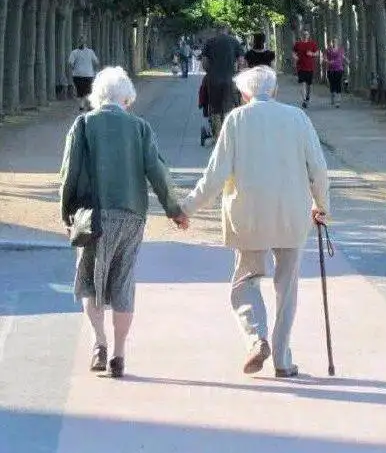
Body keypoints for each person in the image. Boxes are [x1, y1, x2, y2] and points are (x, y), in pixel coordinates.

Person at [182, 65, 328, 378]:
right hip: (291, 214)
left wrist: (186, 208)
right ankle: (282, 359)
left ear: (244, 94)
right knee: (287, 288)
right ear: (274, 90)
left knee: (245, 281)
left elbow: (215, 176)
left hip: (249, 216)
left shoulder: (237, 120)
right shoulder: (298, 118)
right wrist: (322, 206)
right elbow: (317, 168)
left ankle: (256, 338)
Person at [60, 66, 188, 378]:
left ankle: (99, 343)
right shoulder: (140, 127)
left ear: (97, 94)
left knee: (89, 281)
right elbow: (157, 171)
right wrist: (174, 209)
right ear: (127, 97)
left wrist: (66, 213)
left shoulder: (83, 124)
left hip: (93, 215)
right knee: (123, 283)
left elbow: (69, 172)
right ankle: (119, 353)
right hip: (132, 215)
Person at [201, 25, 243, 139]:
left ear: (216, 31)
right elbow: (240, 60)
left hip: (213, 80)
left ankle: (217, 135)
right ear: (227, 30)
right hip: (230, 79)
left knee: (214, 107)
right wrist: (238, 71)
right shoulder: (234, 42)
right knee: (229, 106)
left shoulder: (209, 42)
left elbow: (204, 62)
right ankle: (228, 133)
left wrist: (209, 72)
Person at [68, 37, 99, 111]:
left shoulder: (74, 52)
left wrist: (74, 68)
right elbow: (96, 62)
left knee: (80, 91)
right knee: (87, 90)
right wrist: (94, 69)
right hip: (88, 74)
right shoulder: (90, 52)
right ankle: (87, 105)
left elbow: (70, 63)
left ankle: (82, 105)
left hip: (77, 74)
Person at [292, 29, 319, 109]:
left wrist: (312, 54)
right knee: (302, 83)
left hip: (310, 67)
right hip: (300, 67)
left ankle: (307, 97)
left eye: (306, 34)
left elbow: (317, 53)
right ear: (301, 35)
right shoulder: (298, 44)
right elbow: (293, 52)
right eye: (304, 34)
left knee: (309, 85)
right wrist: (295, 57)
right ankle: (304, 100)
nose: (305, 36)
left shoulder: (312, 43)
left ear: (308, 35)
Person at [324, 38, 347, 107]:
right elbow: (325, 58)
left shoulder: (340, 49)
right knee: (332, 84)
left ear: (337, 42)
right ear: (332, 42)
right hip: (331, 70)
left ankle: (338, 101)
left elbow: (342, 56)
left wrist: (347, 60)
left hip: (339, 69)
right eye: (333, 41)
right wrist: (328, 61)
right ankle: (332, 97)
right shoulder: (328, 50)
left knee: (338, 84)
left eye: (336, 41)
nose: (334, 43)